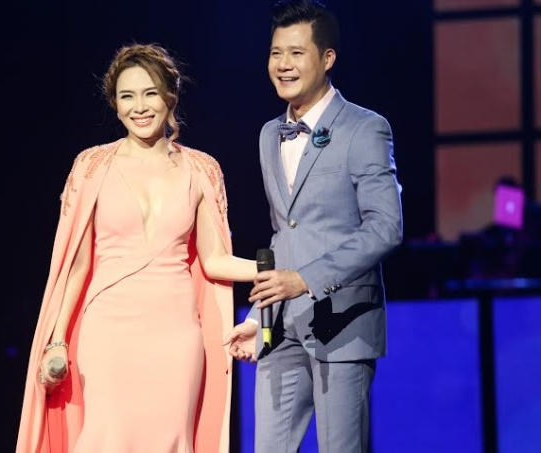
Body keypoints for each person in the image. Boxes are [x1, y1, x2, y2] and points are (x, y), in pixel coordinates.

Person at [16, 44, 256, 453]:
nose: (139, 107)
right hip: (108, 331)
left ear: (170, 96)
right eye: (127, 96)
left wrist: (279, 268)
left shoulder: (202, 169)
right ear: (115, 104)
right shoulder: (92, 165)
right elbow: (77, 266)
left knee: (170, 440)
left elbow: (215, 259)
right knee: (107, 438)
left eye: (150, 93)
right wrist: (56, 341)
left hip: (176, 334)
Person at [223, 2, 403, 452]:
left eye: (297, 53)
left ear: (327, 58)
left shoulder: (365, 128)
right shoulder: (269, 134)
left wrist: (305, 279)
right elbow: (285, 233)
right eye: (276, 53)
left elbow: (385, 227)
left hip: (343, 322)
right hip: (280, 327)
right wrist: (258, 316)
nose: (283, 64)